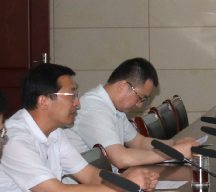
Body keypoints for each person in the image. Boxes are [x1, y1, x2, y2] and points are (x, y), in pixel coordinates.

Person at [0, 63, 159, 192]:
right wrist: (123, 187)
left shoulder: (55, 132)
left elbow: (90, 175)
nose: (78, 103)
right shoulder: (14, 140)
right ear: (44, 101)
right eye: (71, 95)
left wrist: (125, 180)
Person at [64, 57, 200, 166]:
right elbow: (121, 159)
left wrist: (174, 144)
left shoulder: (114, 107)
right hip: (87, 189)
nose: (139, 105)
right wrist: (173, 153)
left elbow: (138, 142)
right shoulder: (93, 110)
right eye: (140, 98)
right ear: (122, 86)